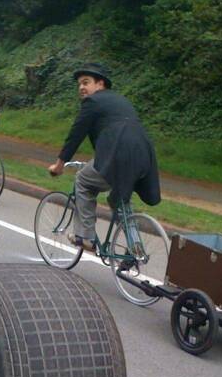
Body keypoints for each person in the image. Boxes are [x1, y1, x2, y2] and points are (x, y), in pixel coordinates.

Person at [48, 63, 160, 251]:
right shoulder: (121, 101)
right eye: (79, 84)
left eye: (86, 82)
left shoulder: (92, 102)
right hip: (144, 154)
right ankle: (135, 247)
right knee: (119, 199)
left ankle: (86, 237)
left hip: (118, 154)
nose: (81, 87)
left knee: (83, 180)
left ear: (100, 84)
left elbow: (76, 135)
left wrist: (59, 165)